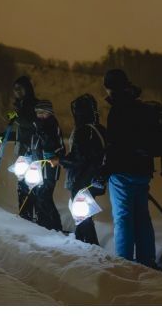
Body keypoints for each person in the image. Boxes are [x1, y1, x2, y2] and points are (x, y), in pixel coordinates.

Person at [99, 68, 157, 268]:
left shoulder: (118, 110)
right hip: (143, 171)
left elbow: (116, 146)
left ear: (110, 88)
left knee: (123, 217)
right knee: (141, 216)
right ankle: (147, 259)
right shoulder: (140, 107)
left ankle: (124, 262)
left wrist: (106, 169)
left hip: (122, 172)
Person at [53, 93, 107, 245]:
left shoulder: (83, 131)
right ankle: (80, 243)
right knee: (83, 217)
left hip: (81, 180)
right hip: (95, 179)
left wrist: (60, 160)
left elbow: (78, 159)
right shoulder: (100, 129)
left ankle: (92, 248)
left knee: (83, 217)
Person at [0, 76, 39, 222]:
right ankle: (25, 215)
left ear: (26, 88)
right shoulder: (21, 105)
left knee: (29, 187)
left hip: (31, 151)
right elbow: (22, 131)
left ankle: (31, 216)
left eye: (19, 89)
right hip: (22, 151)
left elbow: (31, 124)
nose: (16, 92)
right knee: (21, 186)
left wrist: (16, 116)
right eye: (15, 89)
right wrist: (4, 136)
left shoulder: (34, 105)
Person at [28, 99, 65, 231]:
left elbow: (52, 144)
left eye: (43, 113)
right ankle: (44, 223)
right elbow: (35, 145)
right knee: (39, 194)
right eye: (38, 113)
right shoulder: (38, 125)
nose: (41, 115)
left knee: (44, 195)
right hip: (39, 167)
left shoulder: (51, 125)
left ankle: (55, 226)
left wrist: (41, 131)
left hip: (49, 167)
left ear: (49, 113)